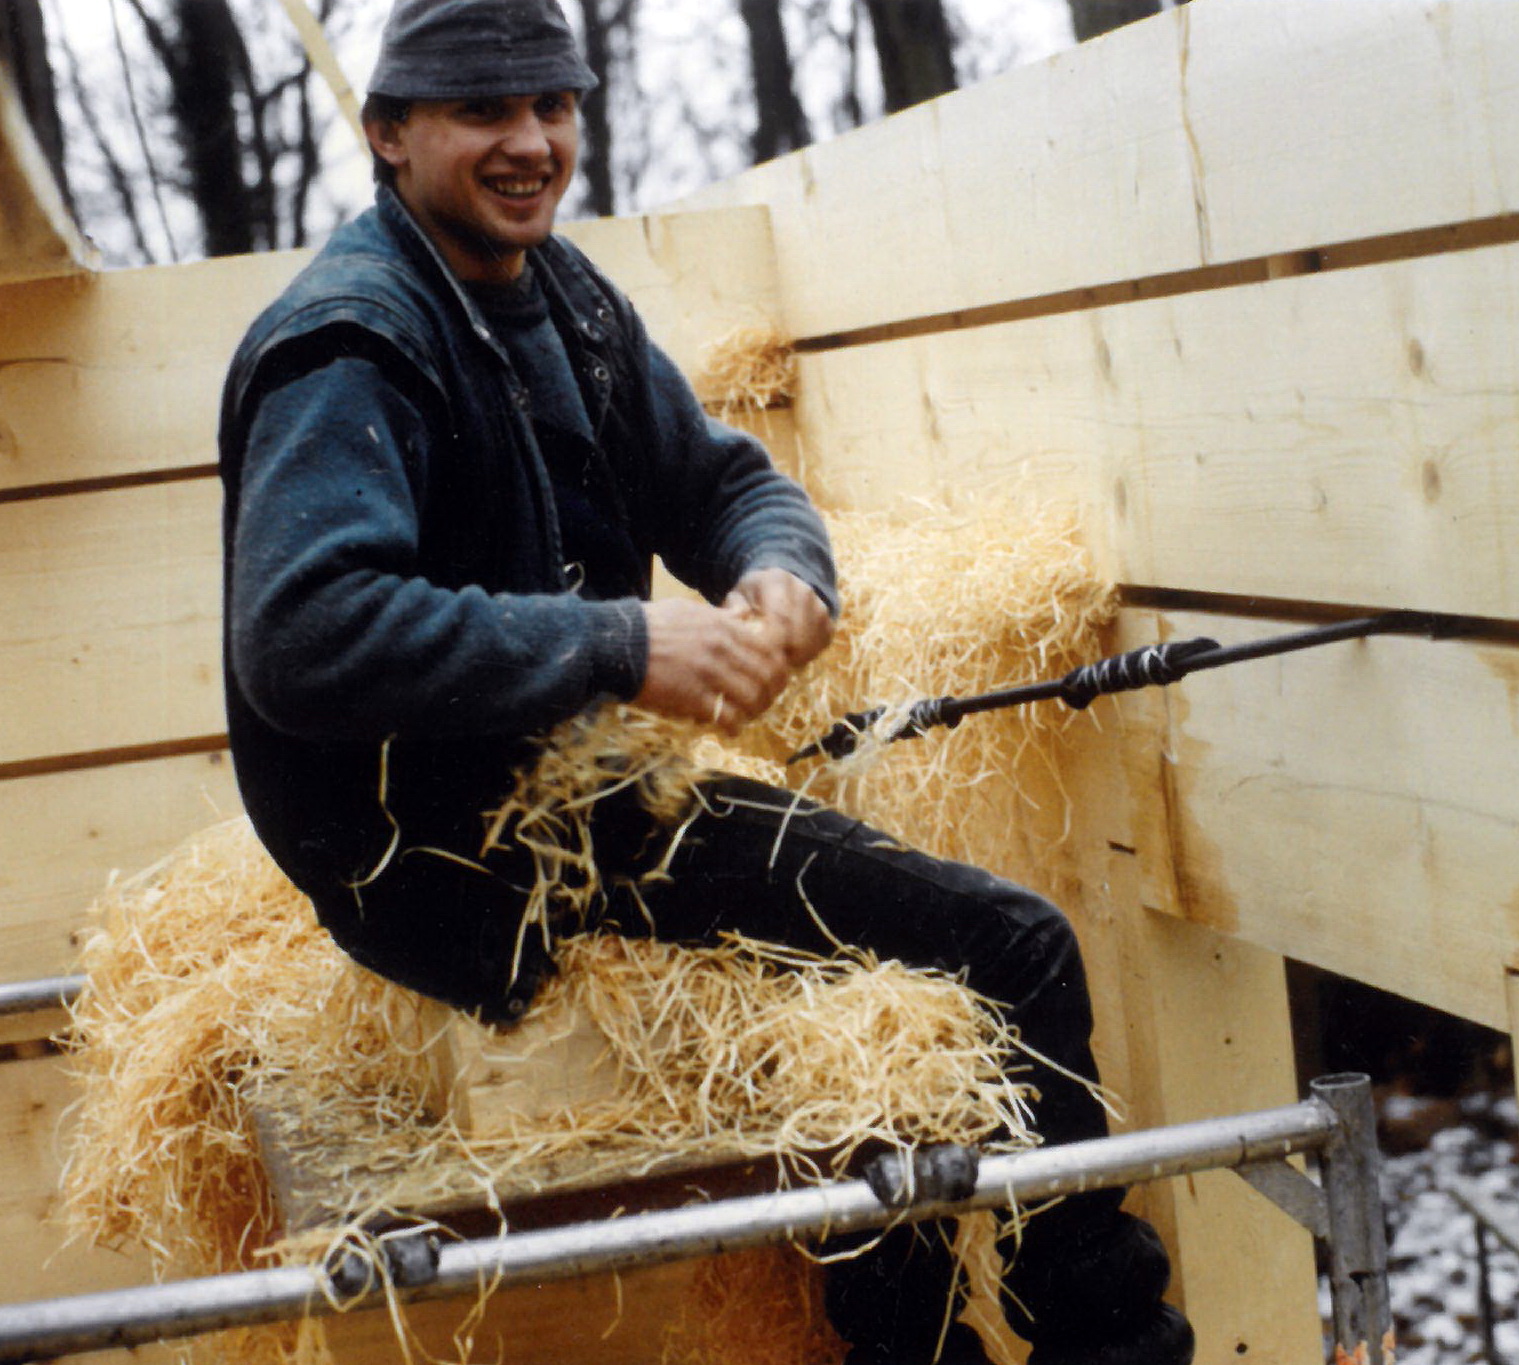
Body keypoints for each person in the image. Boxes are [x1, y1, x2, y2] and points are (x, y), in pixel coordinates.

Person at [217, 3, 1193, 1361]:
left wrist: (779, 571)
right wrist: (628, 646)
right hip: (450, 859)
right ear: (388, 135)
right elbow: (302, 634)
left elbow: (725, 480)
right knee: (1010, 944)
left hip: (568, 797)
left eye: (553, 106)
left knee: (885, 1000)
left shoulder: (563, 299)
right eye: (484, 113)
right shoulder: (351, 344)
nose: (531, 142)